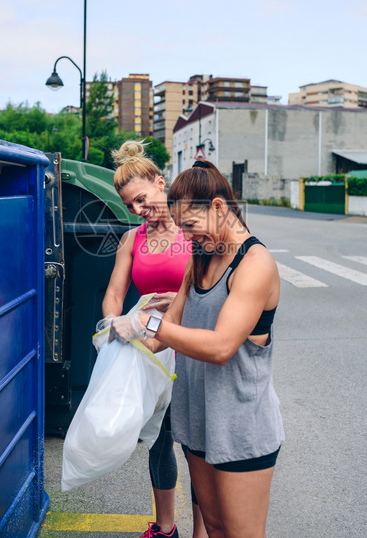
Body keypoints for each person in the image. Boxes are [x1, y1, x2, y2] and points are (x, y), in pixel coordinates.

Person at [111, 159, 285, 538]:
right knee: (216, 528)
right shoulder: (200, 259)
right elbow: (163, 334)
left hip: (242, 426)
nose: (186, 237)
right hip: (200, 421)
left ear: (219, 207)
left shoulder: (254, 264)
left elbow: (221, 346)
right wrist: (118, 338)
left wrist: (147, 322)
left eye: (190, 225)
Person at [102, 141, 207, 538]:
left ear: (161, 183)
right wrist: (113, 323)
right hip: (150, 350)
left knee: (196, 445)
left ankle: (203, 530)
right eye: (130, 205)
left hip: (191, 343)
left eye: (142, 199)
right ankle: (165, 528)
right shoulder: (133, 240)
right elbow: (114, 293)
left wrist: (182, 297)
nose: (138, 209)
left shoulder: (193, 230)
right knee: (159, 441)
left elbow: (214, 285)